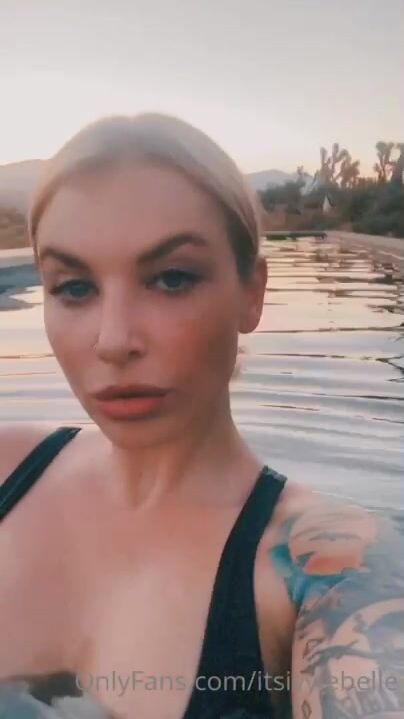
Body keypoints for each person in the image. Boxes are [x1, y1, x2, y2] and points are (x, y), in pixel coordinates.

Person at [0, 113, 403, 719]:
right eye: (74, 288)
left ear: (252, 293)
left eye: (171, 278)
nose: (113, 341)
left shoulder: (331, 570)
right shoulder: (6, 470)